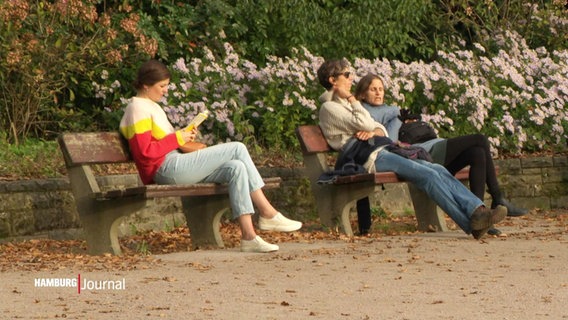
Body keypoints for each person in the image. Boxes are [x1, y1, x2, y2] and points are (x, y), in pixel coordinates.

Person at [119, 59, 302, 253]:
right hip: (166, 168)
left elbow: (163, 141)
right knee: (237, 148)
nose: (165, 91)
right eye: (162, 86)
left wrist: (183, 136)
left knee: (236, 168)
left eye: (167, 86)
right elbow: (145, 152)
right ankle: (267, 212)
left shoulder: (150, 105)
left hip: (175, 163)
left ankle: (249, 236)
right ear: (146, 85)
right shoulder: (137, 108)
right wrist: (177, 138)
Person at [316, 59, 508, 239]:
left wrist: (374, 130)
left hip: (381, 150)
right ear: (333, 80)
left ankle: (478, 212)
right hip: (368, 158)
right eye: (346, 75)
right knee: (427, 175)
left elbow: (379, 128)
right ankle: (471, 222)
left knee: (437, 169)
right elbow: (366, 122)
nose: (351, 79)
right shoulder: (330, 107)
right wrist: (354, 103)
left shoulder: (345, 105)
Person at [353, 73, 528, 235]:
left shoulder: (391, 110)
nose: (378, 93)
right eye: (373, 89)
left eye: (381, 89)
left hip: (430, 146)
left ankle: (481, 218)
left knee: (477, 153)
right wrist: (397, 117)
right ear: (362, 94)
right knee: (480, 139)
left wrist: (403, 119)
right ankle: (497, 199)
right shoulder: (367, 113)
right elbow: (388, 142)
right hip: (422, 154)